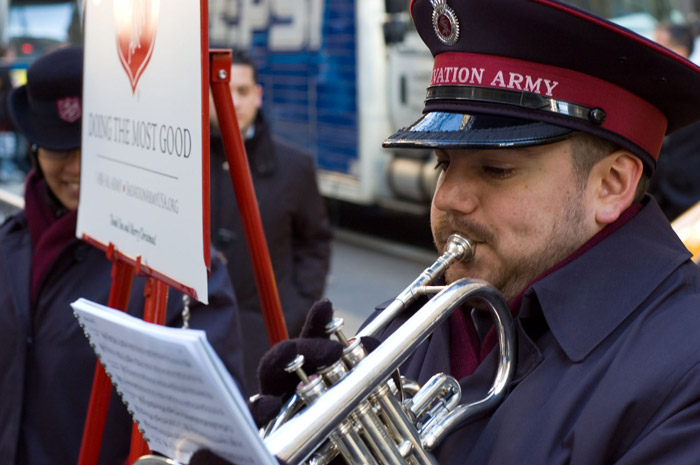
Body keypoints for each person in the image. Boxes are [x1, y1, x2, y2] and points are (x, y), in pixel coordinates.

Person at [194, 1, 700, 464]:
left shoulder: (685, 369)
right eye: (442, 164)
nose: (449, 200)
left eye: (496, 170)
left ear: (611, 185)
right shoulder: (425, 315)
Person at [0, 46, 246, 465]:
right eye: (59, 148)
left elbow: (212, 439)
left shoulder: (178, 271)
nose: (76, 168)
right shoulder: (8, 247)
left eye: (92, 145)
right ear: (35, 151)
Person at [209, 49, 333, 396]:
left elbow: (315, 242)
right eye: (221, 89)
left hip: (268, 341)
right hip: (198, 335)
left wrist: (293, 311)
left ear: (258, 96)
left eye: (243, 91)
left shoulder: (294, 166)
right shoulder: (181, 162)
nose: (232, 101)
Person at [648, 21, 700, 221]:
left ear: (679, 51)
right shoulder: (655, 90)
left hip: (690, 202)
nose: (652, 48)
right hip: (661, 202)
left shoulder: (694, 92)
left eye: (659, 43)